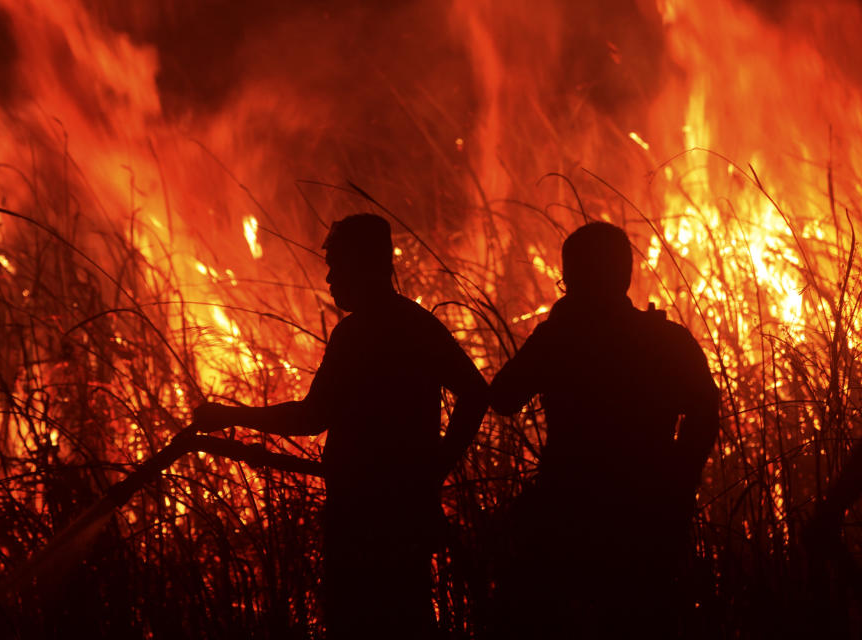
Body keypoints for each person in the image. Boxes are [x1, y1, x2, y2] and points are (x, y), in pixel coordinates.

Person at [186, 213, 488, 639]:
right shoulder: (417, 324)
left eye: (338, 264)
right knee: (409, 617)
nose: (329, 277)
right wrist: (435, 465)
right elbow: (476, 393)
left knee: (361, 620)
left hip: (363, 514)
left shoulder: (358, 333)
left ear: (366, 264)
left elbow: (311, 417)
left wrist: (232, 415)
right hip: (405, 510)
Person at [489, 221, 720, 638]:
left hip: (570, 512)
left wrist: (555, 324)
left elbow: (503, 398)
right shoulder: (667, 340)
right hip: (648, 511)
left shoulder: (560, 339)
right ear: (625, 276)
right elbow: (706, 413)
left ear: (574, 278)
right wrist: (679, 482)